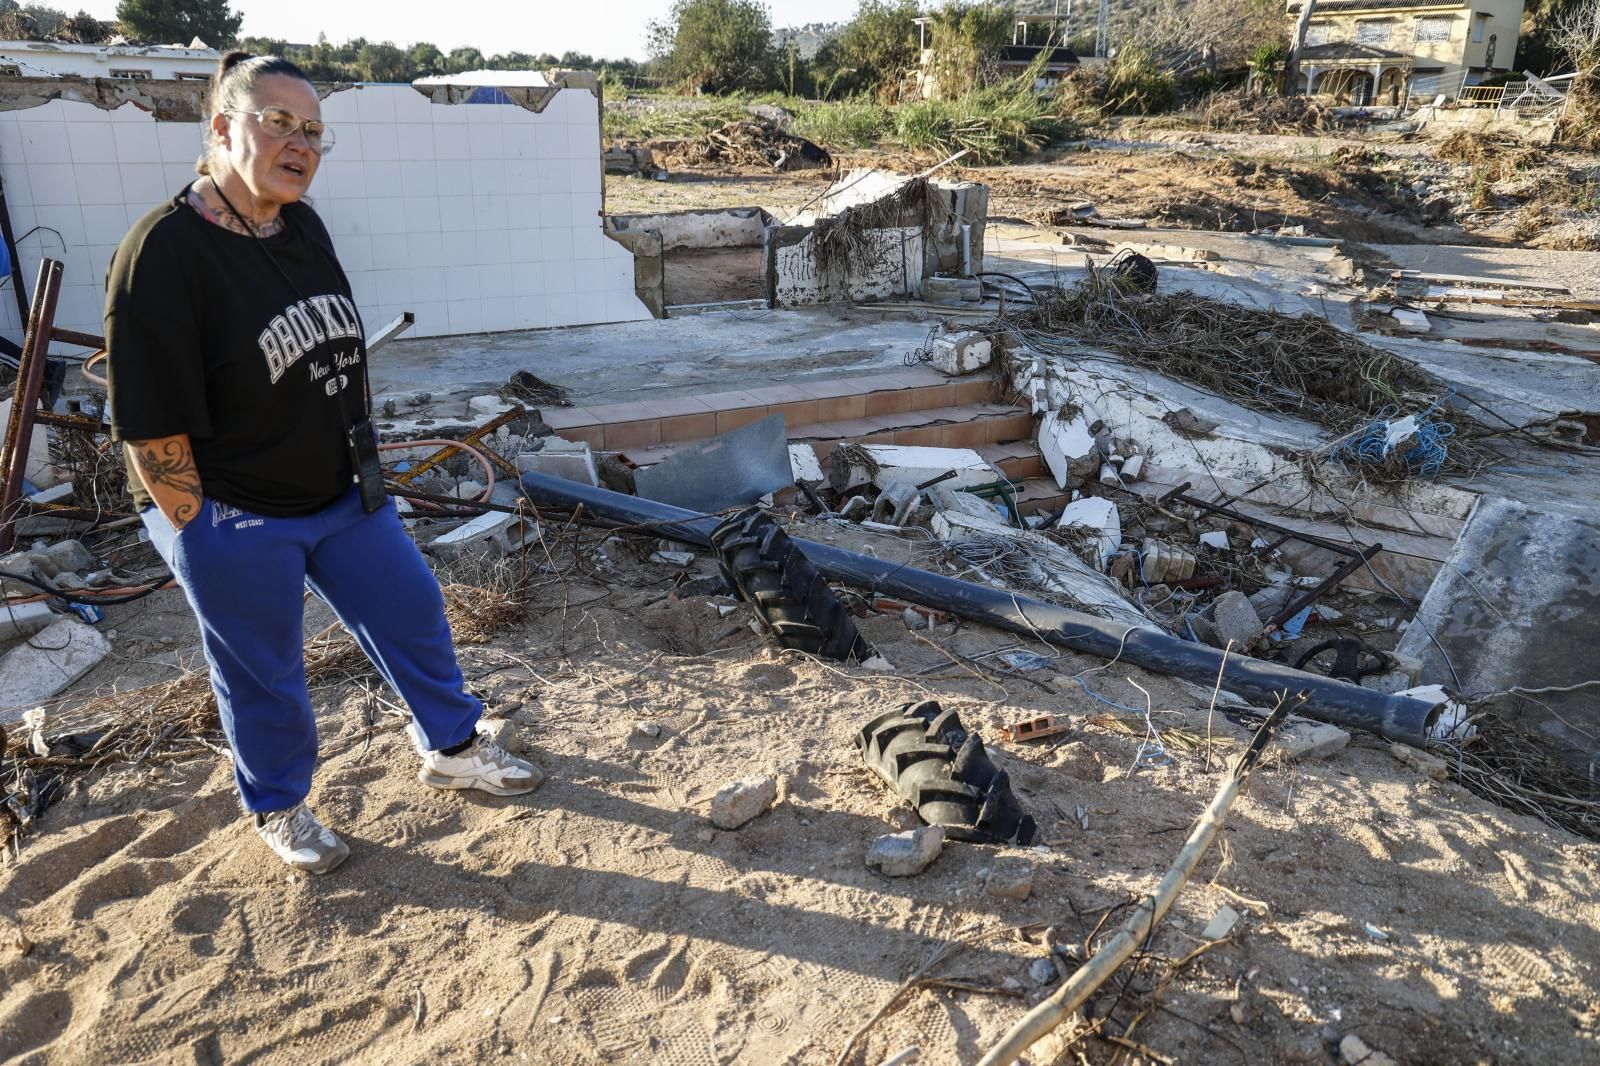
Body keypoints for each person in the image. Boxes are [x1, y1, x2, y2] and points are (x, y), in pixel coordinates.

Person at [104, 52, 541, 876]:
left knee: (413, 614)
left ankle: (451, 746)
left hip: (340, 491)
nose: (299, 143)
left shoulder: (299, 225)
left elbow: (329, 353)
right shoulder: (162, 253)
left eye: (312, 130)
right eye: (278, 122)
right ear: (222, 128)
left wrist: (361, 466)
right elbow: (151, 425)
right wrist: (206, 531)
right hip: (235, 509)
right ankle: (278, 805)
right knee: (264, 672)